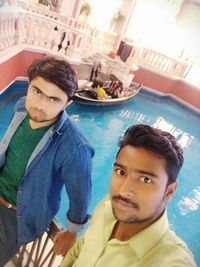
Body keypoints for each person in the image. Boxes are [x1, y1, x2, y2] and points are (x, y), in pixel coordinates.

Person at [0, 56, 94, 266]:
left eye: (54, 99)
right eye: (37, 91)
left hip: (15, 215)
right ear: (29, 84)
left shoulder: (75, 148)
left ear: (66, 103)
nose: (40, 105)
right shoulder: (21, 107)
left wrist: (71, 232)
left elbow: (80, 195)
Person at [61, 124, 197, 267]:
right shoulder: (107, 206)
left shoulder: (172, 262)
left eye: (145, 179)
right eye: (121, 172)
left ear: (169, 191)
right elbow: (80, 248)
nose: (124, 191)